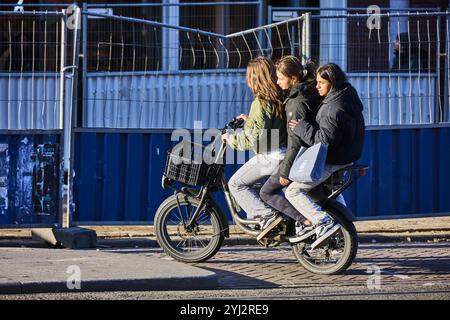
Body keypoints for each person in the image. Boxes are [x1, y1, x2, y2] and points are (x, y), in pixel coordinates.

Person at [285, 63, 365, 248]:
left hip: (333, 158)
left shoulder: (333, 109)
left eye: (321, 82)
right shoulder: (347, 95)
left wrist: (300, 127)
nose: (317, 86)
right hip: (348, 156)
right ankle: (342, 236)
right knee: (331, 193)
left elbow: (324, 140)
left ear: (333, 83)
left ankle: (323, 222)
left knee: (293, 191)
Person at [221, 57, 288, 233]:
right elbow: (268, 126)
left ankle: (266, 216)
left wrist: (230, 138)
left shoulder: (260, 102)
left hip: (271, 156)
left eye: (249, 77)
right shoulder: (279, 97)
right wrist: (250, 121)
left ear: (255, 78)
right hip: (284, 153)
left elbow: (252, 139)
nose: (247, 81)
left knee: (236, 184)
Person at [259, 56, 322, 242]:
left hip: (299, 157)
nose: (277, 82)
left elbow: (296, 142)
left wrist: (285, 172)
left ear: (293, 78)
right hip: (308, 154)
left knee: (266, 192)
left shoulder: (296, 103)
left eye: (280, 78)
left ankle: (305, 222)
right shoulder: (306, 93)